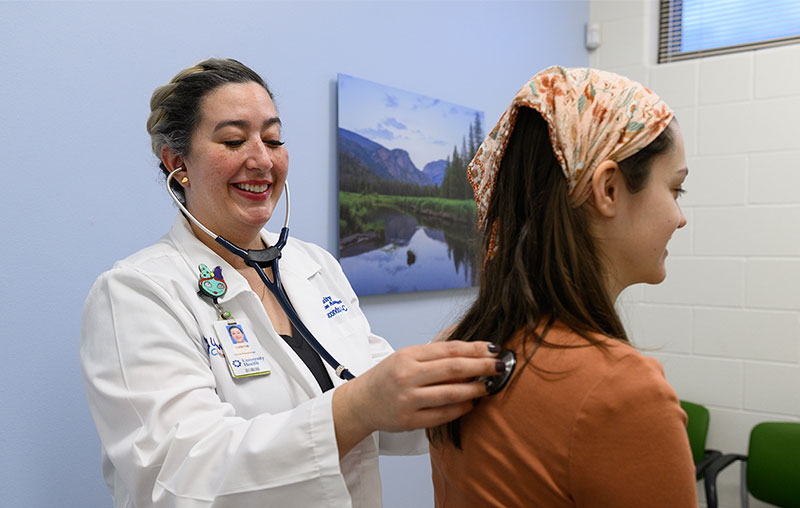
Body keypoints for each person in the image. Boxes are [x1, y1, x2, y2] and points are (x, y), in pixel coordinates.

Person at [79, 58, 504, 508]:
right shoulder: (136, 294)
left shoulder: (312, 265)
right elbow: (177, 477)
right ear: (177, 162)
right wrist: (357, 407)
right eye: (233, 139)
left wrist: (449, 372)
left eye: (273, 138)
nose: (262, 159)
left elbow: (381, 408)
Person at [428, 66, 697, 507]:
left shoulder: (461, 352)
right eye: (676, 189)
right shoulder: (623, 392)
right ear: (608, 189)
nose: (679, 216)